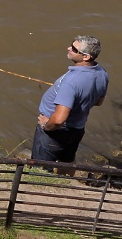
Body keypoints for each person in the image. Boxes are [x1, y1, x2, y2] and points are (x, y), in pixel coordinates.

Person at [33, 35, 109, 176]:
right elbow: (98, 102)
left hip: (55, 132)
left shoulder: (71, 82)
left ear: (86, 57)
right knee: (67, 161)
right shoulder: (102, 73)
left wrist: (46, 126)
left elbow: (59, 119)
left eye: (74, 48)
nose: (69, 48)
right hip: (77, 129)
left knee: (40, 167)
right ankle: (65, 183)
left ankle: (39, 188)